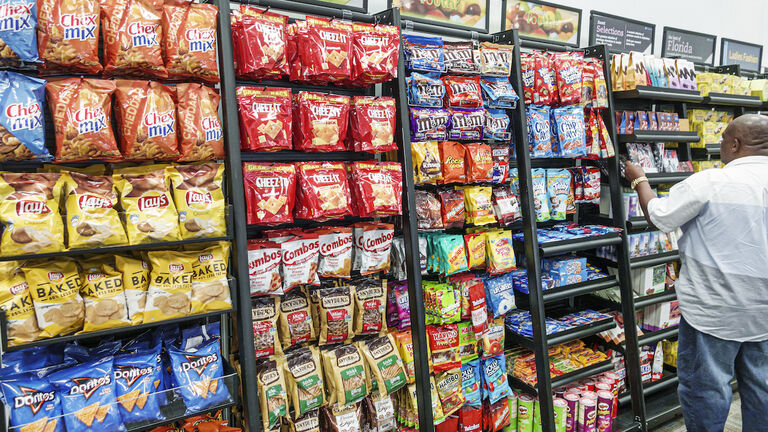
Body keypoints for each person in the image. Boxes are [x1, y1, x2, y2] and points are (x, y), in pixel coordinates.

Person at [624, 114, 768, 431]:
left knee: (707, 392)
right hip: (764, 315)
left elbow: (658, 217)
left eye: (723, 141)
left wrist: (639, 179)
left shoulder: (710, 182)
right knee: (761, 390)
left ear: (735, 144)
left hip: (712, 311)